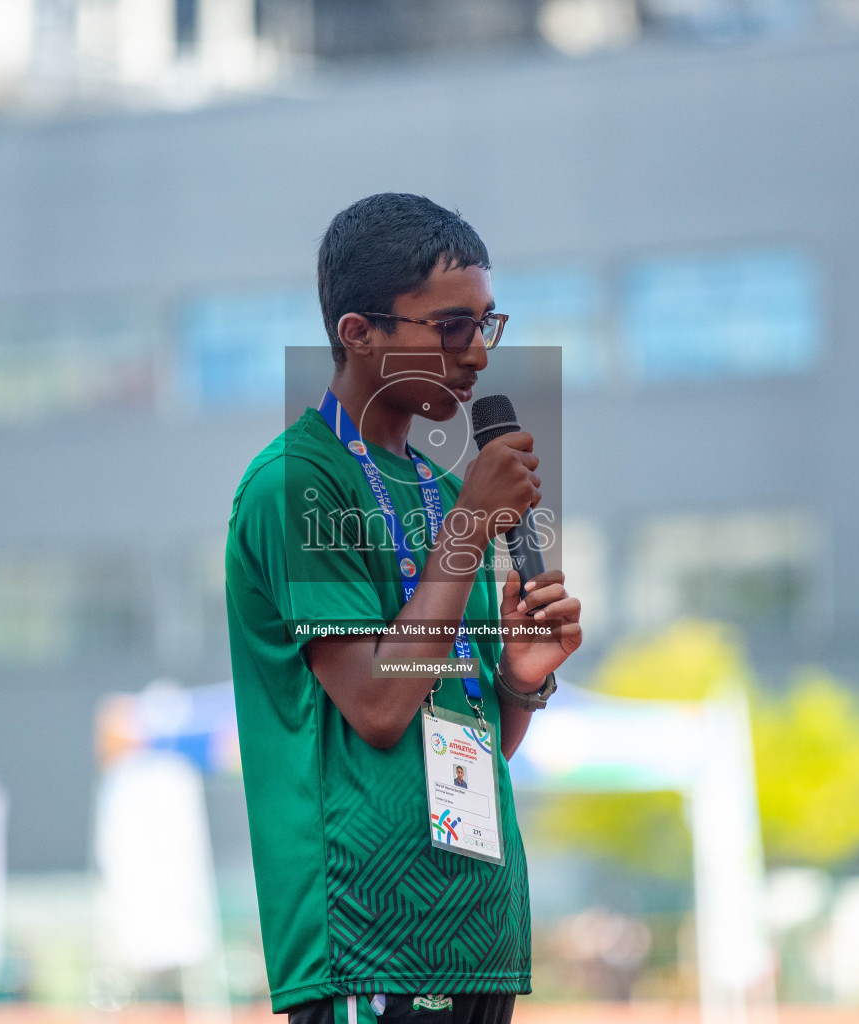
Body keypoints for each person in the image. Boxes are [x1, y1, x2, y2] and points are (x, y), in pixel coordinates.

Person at [225, 193, 583, 1024]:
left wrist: (520, 683)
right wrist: (467, 529)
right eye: (450, 327)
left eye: (487, 325)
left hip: (479, 933)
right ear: (361, 333)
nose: (477, 356)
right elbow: (381, 708)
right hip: (367, 941)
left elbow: (459, 726)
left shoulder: (441, 486)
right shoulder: (297, 484)